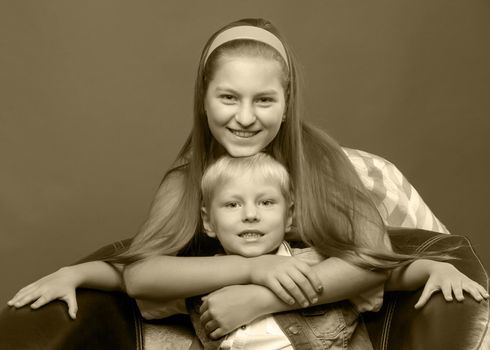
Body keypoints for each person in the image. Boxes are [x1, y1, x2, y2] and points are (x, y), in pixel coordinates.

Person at [7, 17, 488, 342]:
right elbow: (143, 272)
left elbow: (373, 259)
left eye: (264, 101)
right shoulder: (188, 177)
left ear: (287, 104)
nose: (244, 118)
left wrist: (258, 298)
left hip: (388, 213)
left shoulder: (329, 167)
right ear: (203, 99)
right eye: (228, 98)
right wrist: (253, 269)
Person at [125, 152, 487, 350]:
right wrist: (74, 273)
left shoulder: (310, 264)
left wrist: (435, 269)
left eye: (265, 203)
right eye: (233, 206)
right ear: (208, 222)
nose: (250, 214)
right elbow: (134, 279)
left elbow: (386, 273)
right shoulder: (200, 278)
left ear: (290, 217)